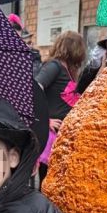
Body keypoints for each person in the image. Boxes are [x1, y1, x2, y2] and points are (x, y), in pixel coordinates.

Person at [35, 31, 86, 181]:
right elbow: (35, 88)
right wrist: (44, 120)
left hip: (62, 135)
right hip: (50, 135)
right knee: (47, 178)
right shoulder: (54, 66)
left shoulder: (67, 70)